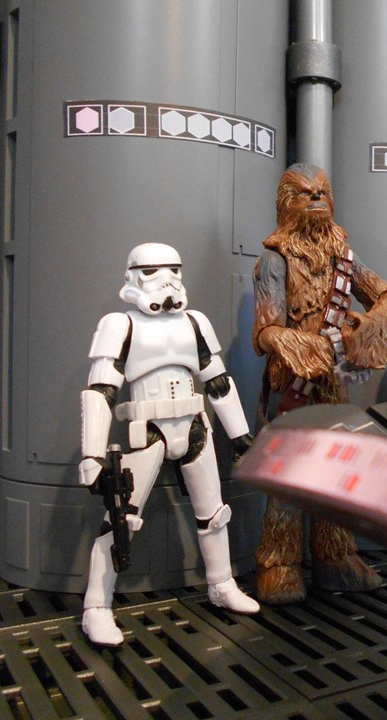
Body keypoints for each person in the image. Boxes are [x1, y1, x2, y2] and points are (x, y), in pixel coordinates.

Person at [77, 242, 261, 647]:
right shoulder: (120, 325)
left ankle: (222, 584)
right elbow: (100, 391)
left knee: (214, 513)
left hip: (194, 425)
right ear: (133, 276)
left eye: (173, 270)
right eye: (152, 272)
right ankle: (96, 606)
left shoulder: (194, 322)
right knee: (121, 517)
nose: (166, 280)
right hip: (147, 428)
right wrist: (92, 456)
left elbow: (217, 381)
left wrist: (240, 435)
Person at [251, 163, 387, 604]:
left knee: (336, 471)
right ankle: (278, 565)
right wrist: (298, 346)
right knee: (288, 476)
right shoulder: (274, 260)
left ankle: (335, 557)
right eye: (306, 193)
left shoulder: (344, 257)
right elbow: (265, 330)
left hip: (332, 383)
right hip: (292, 384)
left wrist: (370, 327)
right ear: (287, 203)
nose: (317, 198)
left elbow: (386, 296)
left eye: (322, 191)